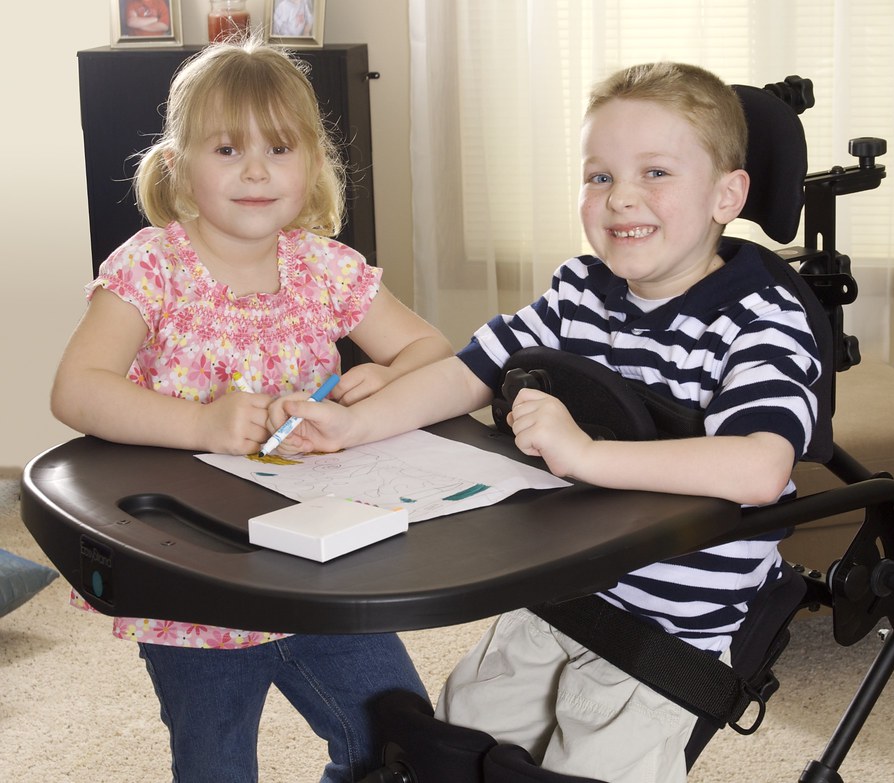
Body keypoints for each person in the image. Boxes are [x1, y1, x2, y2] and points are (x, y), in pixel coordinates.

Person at [268, 62, 821, 782]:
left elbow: (760, 466)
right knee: (452, 743)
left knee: (585, 764)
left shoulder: (763, 318)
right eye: (599, 176)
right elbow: (469, 370)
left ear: (727, 193)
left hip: (669, 628)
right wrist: (353, 427)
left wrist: (583, 452)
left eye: (655, 172)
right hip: (562, 595)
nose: (621, 197)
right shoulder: (579, 292)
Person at [50, 39, 450, 783]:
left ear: (312, 165)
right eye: (228, 148)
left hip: (323, 561)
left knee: (401, 741)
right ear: (177, 166)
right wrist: (201, 423)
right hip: (196, 576)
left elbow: (428, 348)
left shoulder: (325, 268)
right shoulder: (151, 266)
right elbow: (77, 389)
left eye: (279, 147)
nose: (257, 169)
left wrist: (381, 388)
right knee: (214, 765)